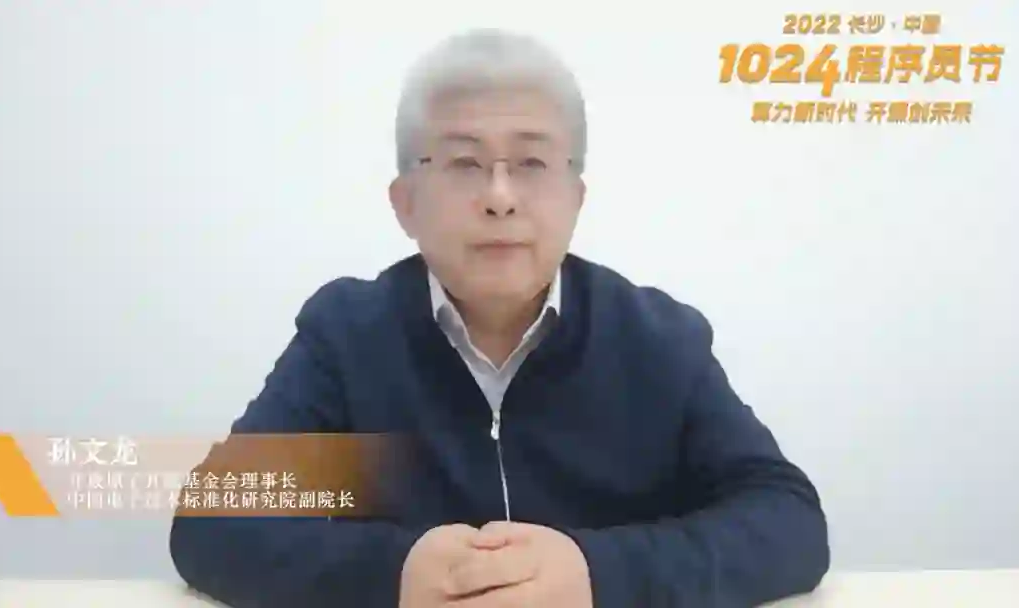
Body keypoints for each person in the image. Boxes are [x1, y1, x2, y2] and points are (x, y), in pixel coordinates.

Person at [169, 28, 830, 607]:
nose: (500, 197)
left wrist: (599, 575)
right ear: (405, 203)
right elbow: (213, 524)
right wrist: (392, 575)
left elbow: (789, 521)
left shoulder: (658, 339)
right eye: (464, 163)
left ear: (575, 197)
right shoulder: (347, 336)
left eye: (532, 163)